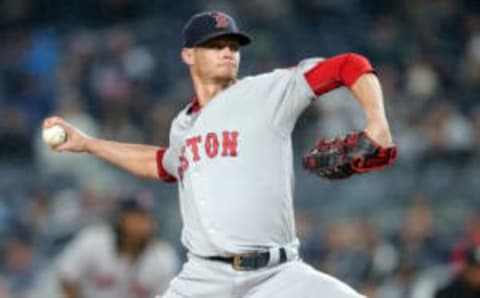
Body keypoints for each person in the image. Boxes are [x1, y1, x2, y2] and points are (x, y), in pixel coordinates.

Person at [43, 11, 396, 298]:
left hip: (279, 275)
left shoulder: (267, 91)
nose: (227, 51)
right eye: (214, 45)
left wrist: (377, 124)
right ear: (188, 55)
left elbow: (349, 65)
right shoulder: (182, 124)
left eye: (232, 45)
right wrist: (88, 143)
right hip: (203, 279)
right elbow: (163, 164)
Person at [56, 195, 178, 298]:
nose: (144, 224)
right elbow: (67, 278)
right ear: (121, 218)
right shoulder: (93, 240)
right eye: (137, 216)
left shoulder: (164, 258)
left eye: (148, 218)